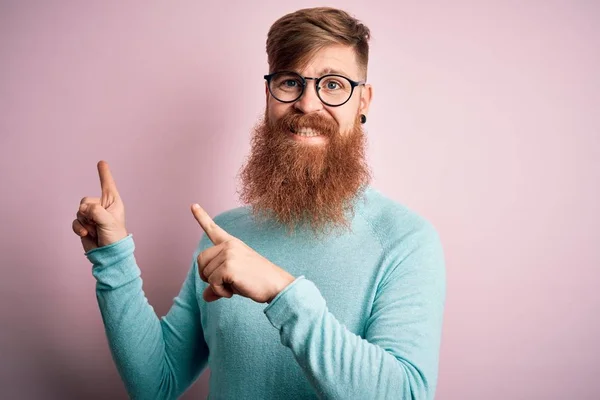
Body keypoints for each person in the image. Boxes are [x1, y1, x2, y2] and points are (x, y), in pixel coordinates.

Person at [72, 7, 446, 400]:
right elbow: (155, 385)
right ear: (269, 93)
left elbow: (406, 394)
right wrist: (112, 258)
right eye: (290, 82)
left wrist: (282, 292)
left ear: (363, 101)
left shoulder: (405, 242)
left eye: (333, 85)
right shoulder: (225, 234)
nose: (307, 104)